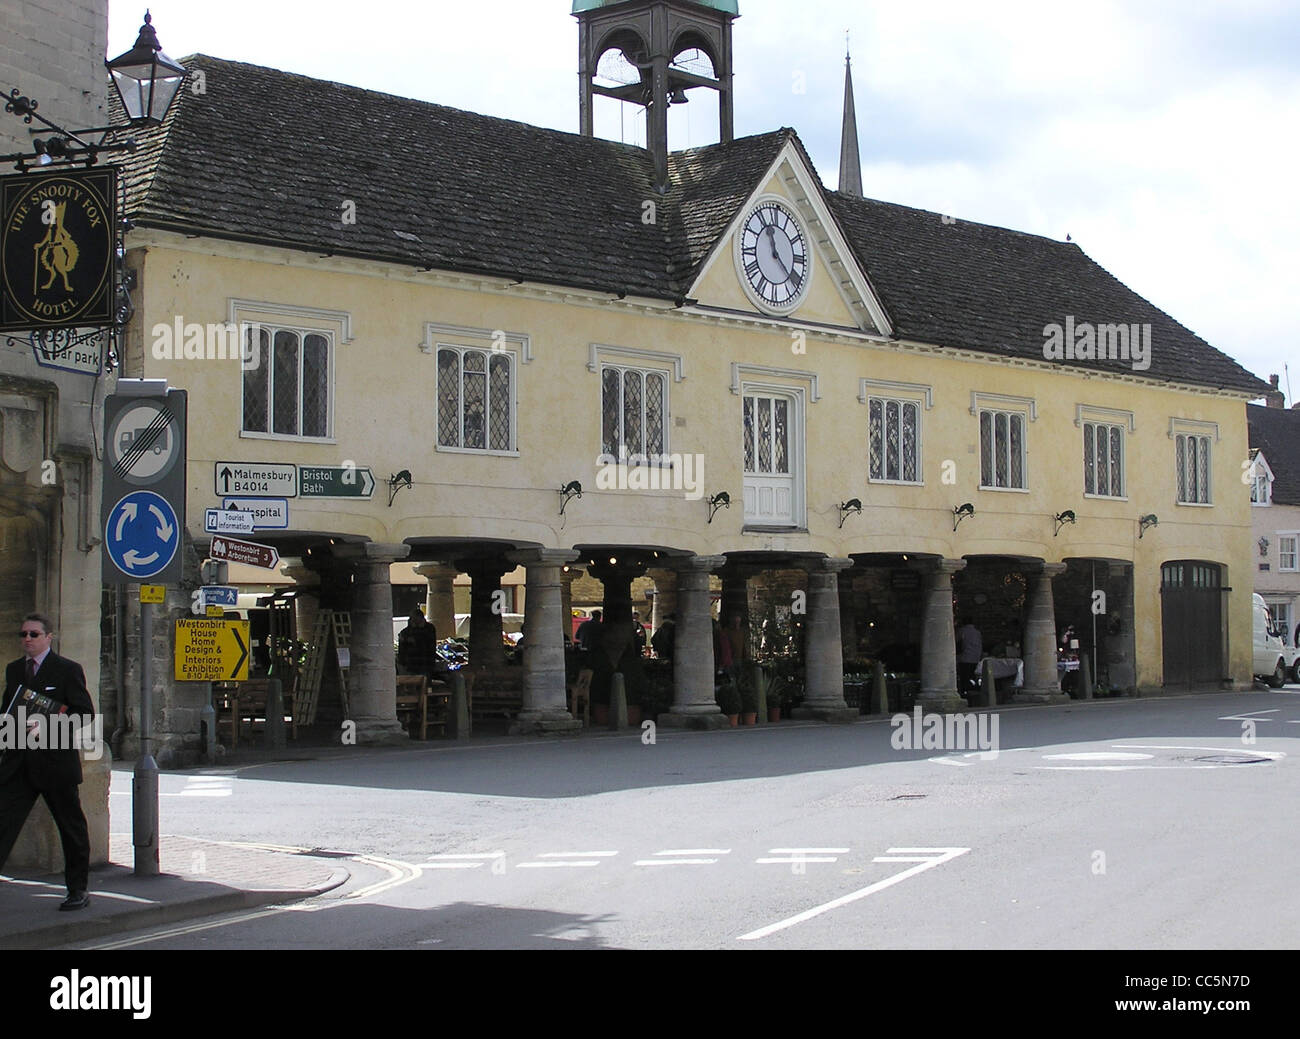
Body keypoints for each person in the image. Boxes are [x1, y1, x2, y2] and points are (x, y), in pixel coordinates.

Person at [0, 613, 94, 911]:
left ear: (48, 637)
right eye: (23, 634)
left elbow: (84, 714)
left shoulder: (67, 670)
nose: (27, 639)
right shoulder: (14, 670)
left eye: (34, 634)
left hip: (55, 763)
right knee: (3, 824)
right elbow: (7, 712)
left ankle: (78, 890)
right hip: (18, 763)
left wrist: (50, 726)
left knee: (71, 829)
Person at [397, 609, 439, 679]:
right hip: (411, 664)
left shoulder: (429, 629)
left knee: (424, 682)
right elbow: (402, 649)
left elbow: (427, 642)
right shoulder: (406, 632)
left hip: (425, 663)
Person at [955, 616, 983, 697]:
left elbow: (955, 641)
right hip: (976, 658)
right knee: (973, 676)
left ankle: (965, 692)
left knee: (965, 677)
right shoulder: (977, 632)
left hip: (965, 658)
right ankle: (974, 690)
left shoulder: (962, 631)